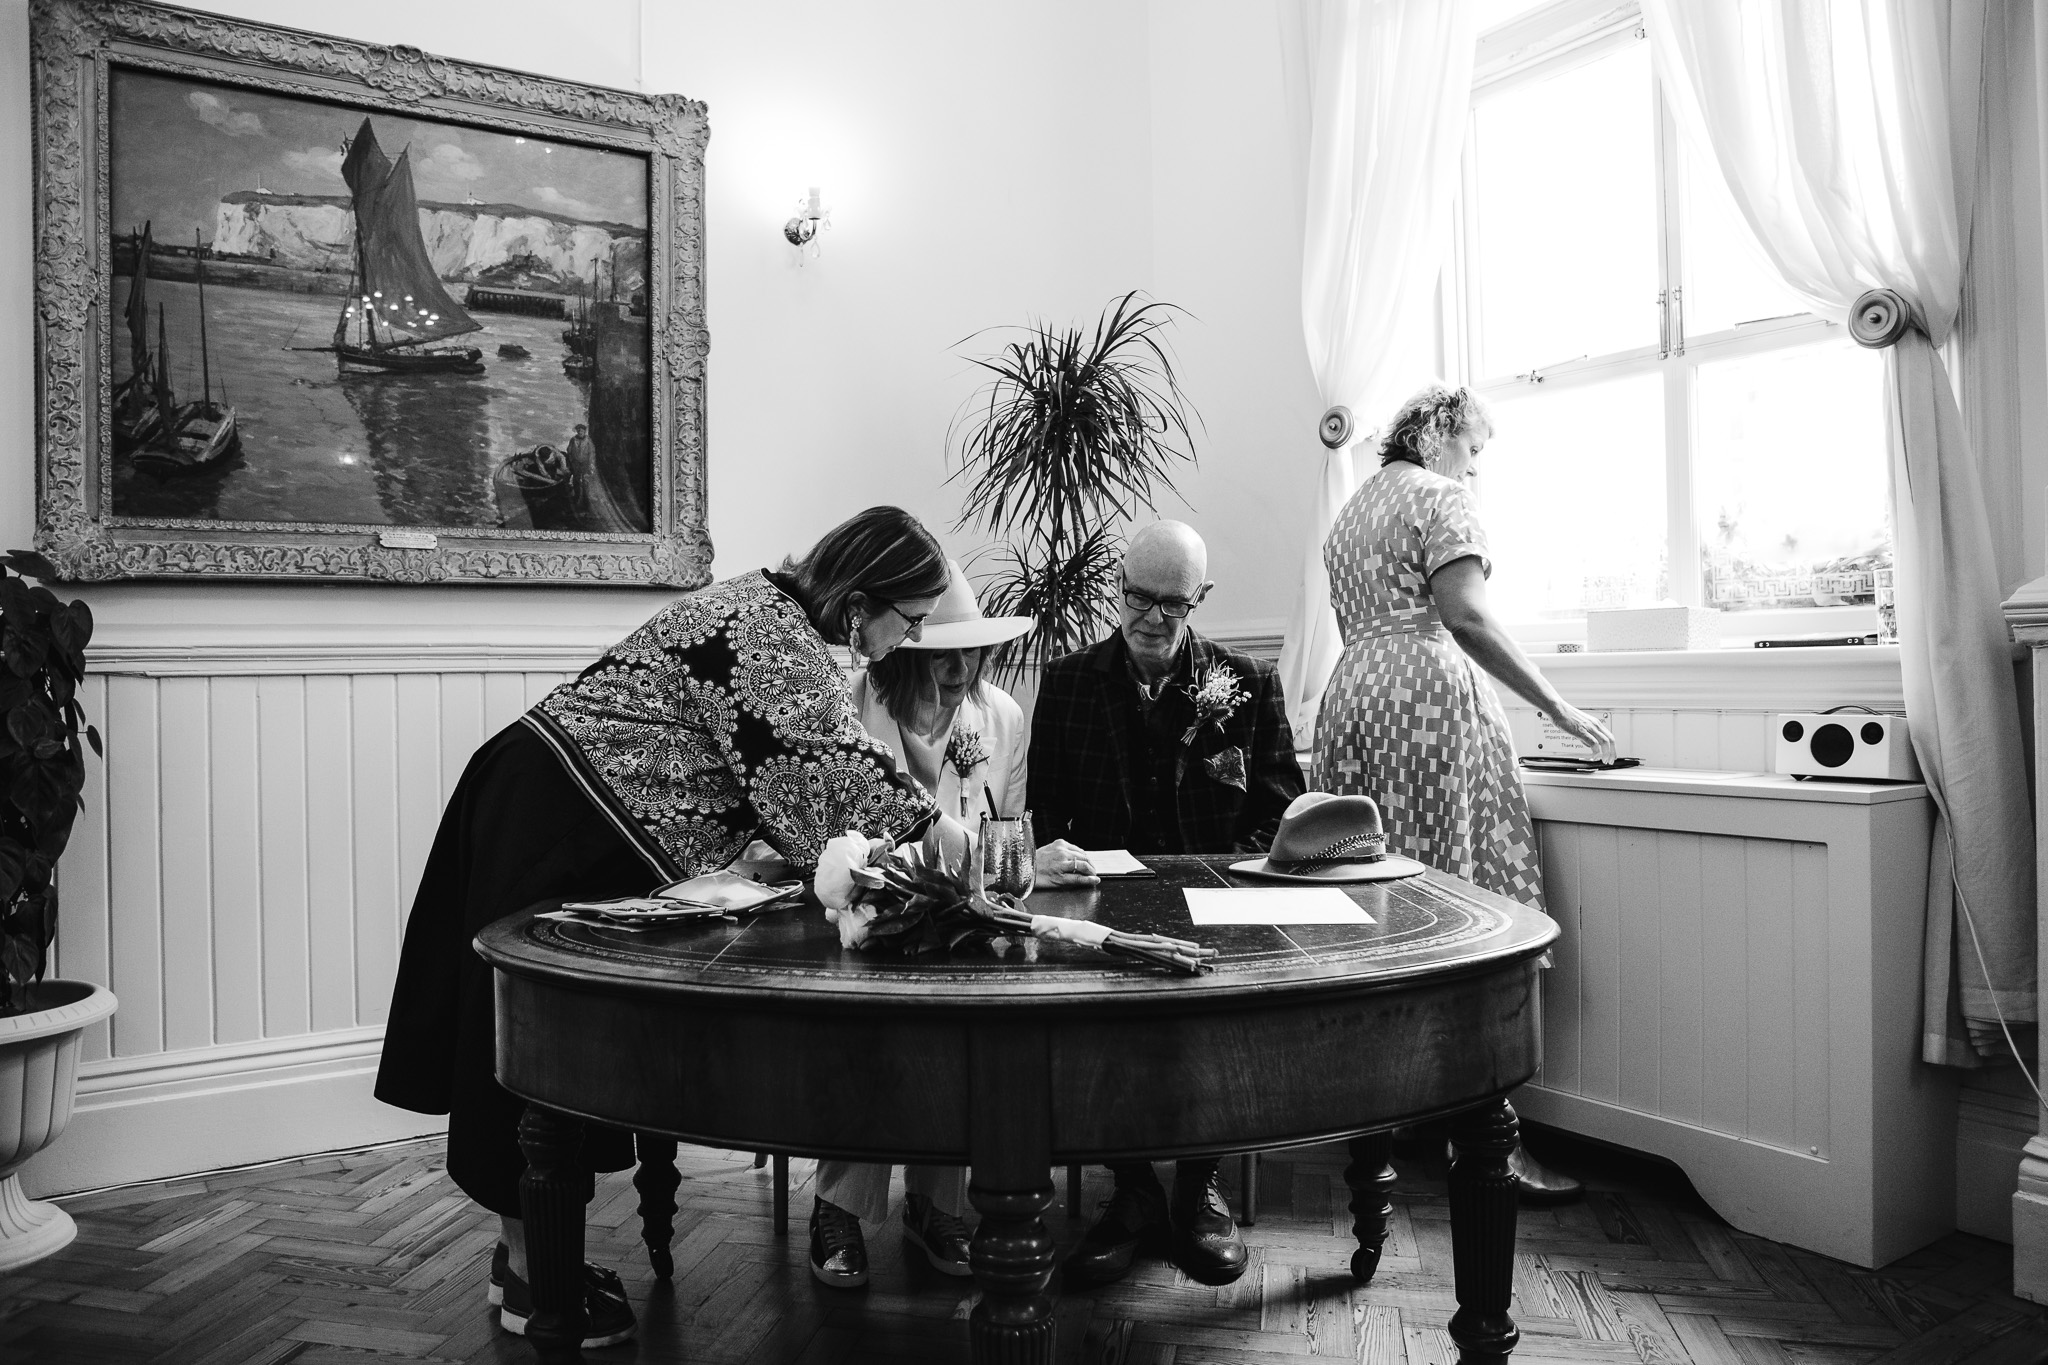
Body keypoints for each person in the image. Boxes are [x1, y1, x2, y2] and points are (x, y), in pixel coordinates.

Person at [374, 506, 960, 1348]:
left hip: (557, 806)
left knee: (559, 1050)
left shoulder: (772, 608)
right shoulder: (775, 636)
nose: (904, 642)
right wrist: (966, 847)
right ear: (865, 599)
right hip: (551, 816)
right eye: (910, 622)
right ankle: (530, 1274)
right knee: (538, 1049)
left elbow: (791, 777)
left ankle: (534, 1260)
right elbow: (834, 777)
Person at [1310, 382, 1615, 1201]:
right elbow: (1467, 618)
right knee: (1468, 906)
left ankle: (1398, 1109)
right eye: (1475, 450)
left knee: (1374, 903)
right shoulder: (1441, 498)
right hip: (1425, 700)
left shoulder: (1350, 514)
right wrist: (1558, 705)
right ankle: (1487, 1140)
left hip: (1356, 693)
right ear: (1443, 434)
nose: (1475, 470)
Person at [1027, 520, 1306, 1288]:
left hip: (1214, 903)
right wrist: (1055, 862)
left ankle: (1197, 1186)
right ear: (1118, 586)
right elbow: (1044, 811)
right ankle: (1135, 1191)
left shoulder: (1245, 681)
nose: (1151, 617)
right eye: (1138, 597)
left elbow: (1278, 806)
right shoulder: (1068, 681)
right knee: (1102, 1023)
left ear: (1200, 599)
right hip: (1102, 905)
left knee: (1212, 1019)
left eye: (1171, 604)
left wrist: (1224, 876)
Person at [812, 562, 1100, 1286]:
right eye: (940, 647)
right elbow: (840, 833)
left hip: (964, 917)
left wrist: (1032, 859)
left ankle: (935, 1206)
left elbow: (1005, 836)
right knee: (876, 1022)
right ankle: (837, 1205)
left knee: (973, 1019)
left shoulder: (1001, 715)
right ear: (906, 649)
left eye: (970, 648)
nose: (956, 663)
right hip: (863, 914)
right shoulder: (849, 706)